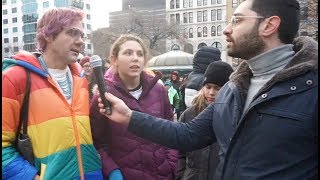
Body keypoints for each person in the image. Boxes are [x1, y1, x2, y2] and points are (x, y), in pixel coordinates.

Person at [96, 0, 318, 179]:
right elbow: (187, 134)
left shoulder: (311, 86)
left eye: (237, 20)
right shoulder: (234, 87)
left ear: (269, 25)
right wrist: (129, 116)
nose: (226, 29)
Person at [2, 8, 104, 179]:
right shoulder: (14, 78)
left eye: (81, 35)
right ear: (48, 36)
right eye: (72, 33)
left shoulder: (81, 79)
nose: (80, 42)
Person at [89, 34, 178, 180]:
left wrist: (171, 164)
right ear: (114, 60)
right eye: (128, 53)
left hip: (161, 174)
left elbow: (171, 129)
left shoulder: (159, 90)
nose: (135, 58)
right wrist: (112, 170)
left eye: (140, 54)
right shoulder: (104, 96)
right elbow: (95, 140)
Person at [176, 61, 234, 180]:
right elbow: (179, 152)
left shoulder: (233, 116)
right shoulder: (189, 114)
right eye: (208, 87)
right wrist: (181, 175)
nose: (211, 93)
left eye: (217, 88)